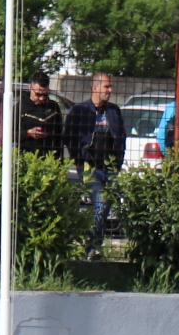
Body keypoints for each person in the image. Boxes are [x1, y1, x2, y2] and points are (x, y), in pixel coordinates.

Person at [65, 72, 127, 227]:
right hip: (89, 167)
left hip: (110, 167)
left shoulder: (114, 111)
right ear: (95, 87)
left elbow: (121, 137)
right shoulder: (79, 110)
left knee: (106, 205)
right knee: (101, 201)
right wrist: (79, 161)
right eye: (106, 86)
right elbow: (69, 138)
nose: (110, 90)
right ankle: (92, 247)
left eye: (110, 86)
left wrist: (118, 164)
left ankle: (93, 243)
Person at [14, 73, 66, 157]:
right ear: (30, 88)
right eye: (38, 94)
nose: (41, 98)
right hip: (26, 157)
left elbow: (59, 137)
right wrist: (27, 133)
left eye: (45, 95)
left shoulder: (54, 107)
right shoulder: (20, 107)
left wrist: (60, 162)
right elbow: (9, 134)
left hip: (49, 160)